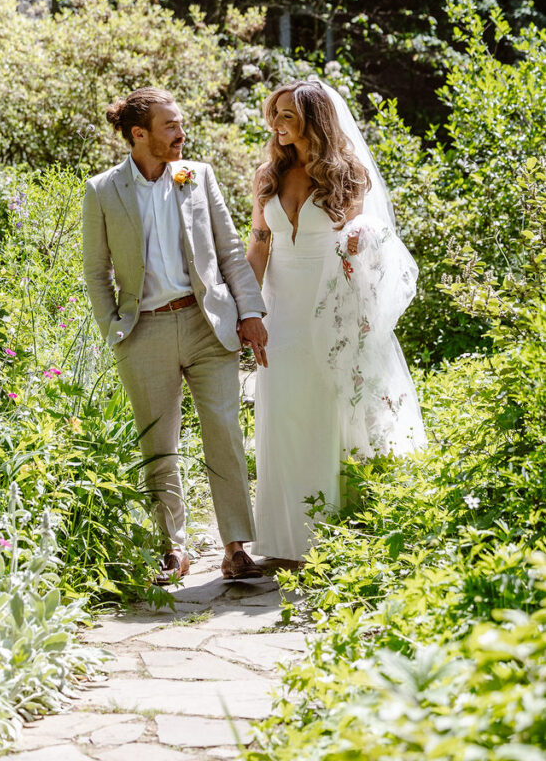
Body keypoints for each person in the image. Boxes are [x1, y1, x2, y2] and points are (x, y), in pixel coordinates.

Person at [82, 87, 268, 583]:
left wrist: (250, 312)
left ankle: (235, 548)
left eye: (180, 124)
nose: (181, 134)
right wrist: (114, 332)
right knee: (158, 444)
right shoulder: (102, 190)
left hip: (209, 325)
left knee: (224, 434)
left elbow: (229, 252)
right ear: (139, 134)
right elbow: (96, 273)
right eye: (170, 126)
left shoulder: (197, 176)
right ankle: (174, 549)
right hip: (143, 332)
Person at [245, 79, 426, 562]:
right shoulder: (267, 175)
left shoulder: (349, 176)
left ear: (314, 119)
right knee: (281, 415)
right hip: (279, 311)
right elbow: (259, 244)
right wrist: (247, 308)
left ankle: (328, 541)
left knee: (328, 418)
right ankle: (282, 542)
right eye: (275, 114)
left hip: (329, 313)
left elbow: (363, 250)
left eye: (287, 115)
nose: (276, 124)